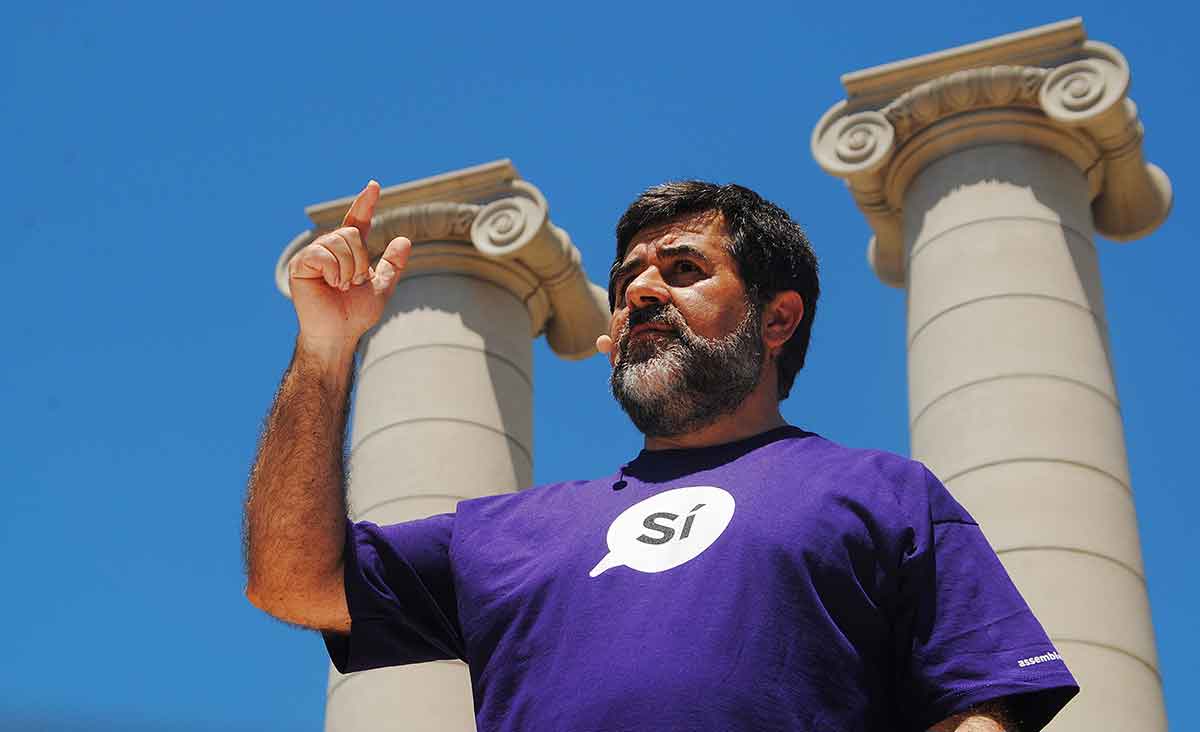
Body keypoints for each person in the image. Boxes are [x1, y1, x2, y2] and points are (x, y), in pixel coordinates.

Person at [244, 179, 1079, 731]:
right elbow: (292, 582)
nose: (642, 290)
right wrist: (325, 351)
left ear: (777, 319)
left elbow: (981, 708)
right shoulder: (504, 534)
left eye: (684, 269)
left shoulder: (883, 494)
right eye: (629, 282)